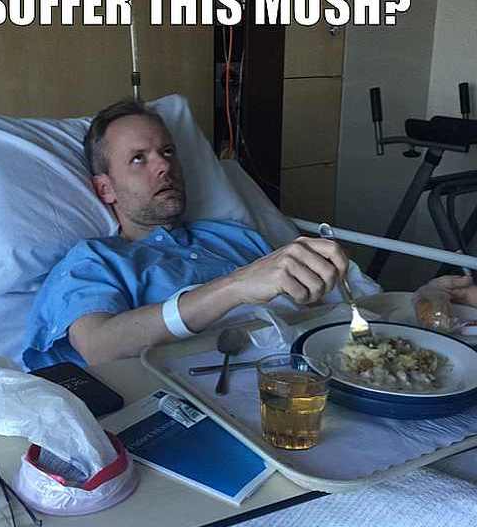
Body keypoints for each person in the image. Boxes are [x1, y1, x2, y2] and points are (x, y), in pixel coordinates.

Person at [23, 99, 350, 370]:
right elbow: (98, 346)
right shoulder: (95, 260)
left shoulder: (236, 236)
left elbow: (314, 309)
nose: (164, 166)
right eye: (138, 159)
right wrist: (235, 286)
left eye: (167, 152)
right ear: (105, 188)